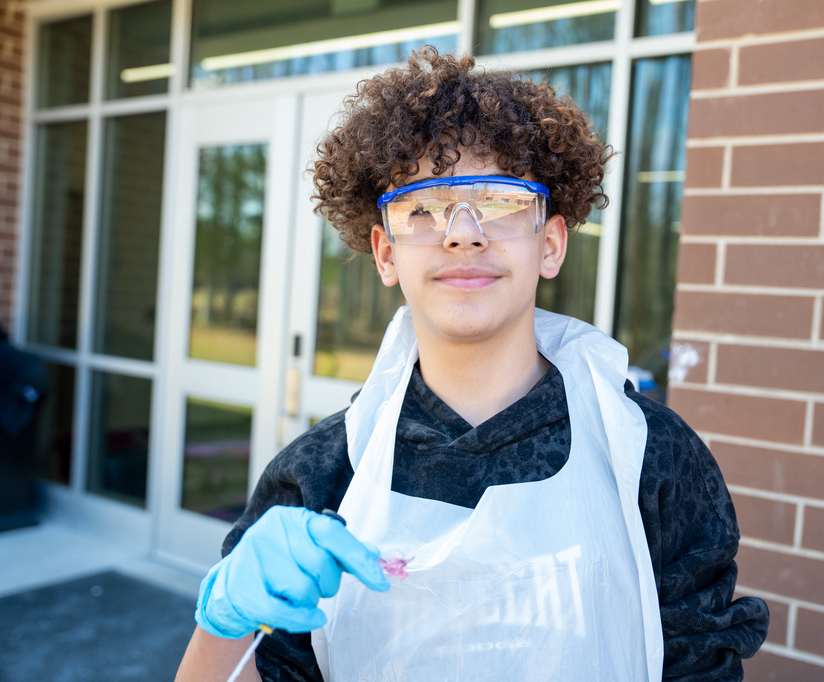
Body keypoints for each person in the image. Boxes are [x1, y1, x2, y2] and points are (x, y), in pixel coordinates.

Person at [175, 46, 769, 682]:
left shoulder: (652, 457)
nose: (462, 233)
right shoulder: (319, 480)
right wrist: (223, 626)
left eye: (500, 202)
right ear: (384, 252)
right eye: (423, 209)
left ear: (550, 243)